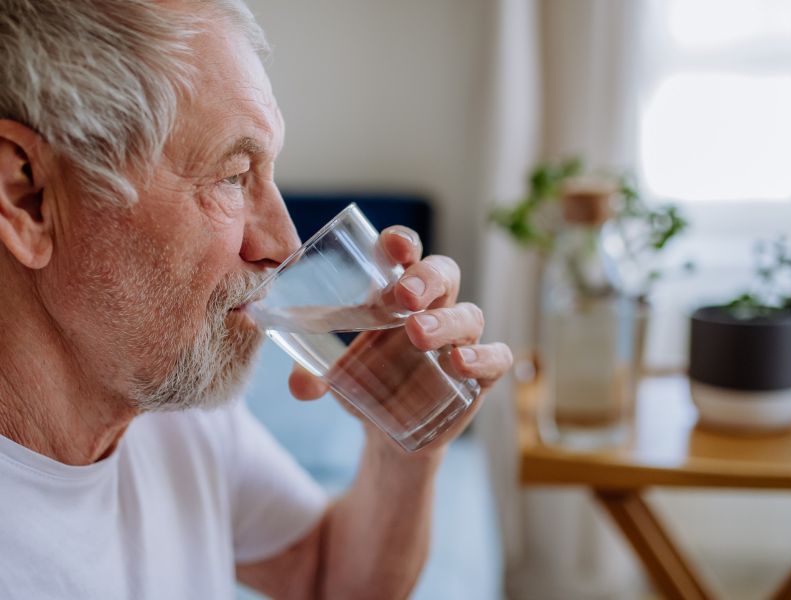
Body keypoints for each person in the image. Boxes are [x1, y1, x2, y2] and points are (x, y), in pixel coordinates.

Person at [0, 1, 513, 598]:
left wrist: (402, 447)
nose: (286, 244)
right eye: (232, 175)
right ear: (30, 197)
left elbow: (327, 576)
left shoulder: (172, 407)